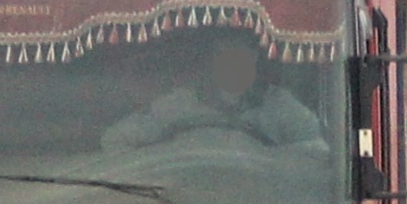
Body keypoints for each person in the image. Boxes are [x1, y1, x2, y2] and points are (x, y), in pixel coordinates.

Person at [100, 38, 326, 153]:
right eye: (224, 53)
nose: (234, 61)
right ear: (211, 61)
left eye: (242, 53)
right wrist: (162, 156)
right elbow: (115, 141)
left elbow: (317, 149)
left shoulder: (279, 104)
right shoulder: (178, 104)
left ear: (255, 58)